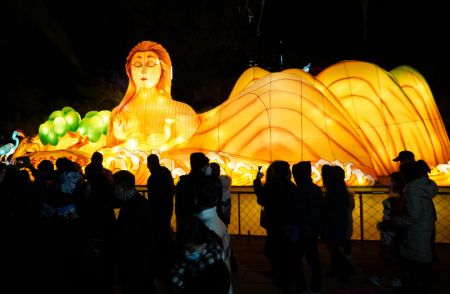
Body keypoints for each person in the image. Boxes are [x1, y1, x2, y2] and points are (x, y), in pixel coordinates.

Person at [106, 40, 199, 150]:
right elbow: (109, 150)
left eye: (150, 64)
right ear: (129, 70)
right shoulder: (119, 113)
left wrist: (169, 141)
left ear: (163, 69)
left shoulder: (183, 111)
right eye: (137, 64)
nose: (143, 71)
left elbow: (184, 142)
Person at [253, 160, 298, 293]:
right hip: (287, 222)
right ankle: (285, 275)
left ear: (273, 171)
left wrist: (257, 183)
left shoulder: (270, 185)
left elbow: (261, 199)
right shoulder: (291, 185)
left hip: (273, 221)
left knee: (272, 249)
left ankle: (280, 275)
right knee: (284, 249)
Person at [393, 161, 437, 293]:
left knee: (415, 263)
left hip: (416, 230)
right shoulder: (423, 186)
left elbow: (413, 215)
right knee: (422, 261)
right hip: (425, 226)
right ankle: (422, 285)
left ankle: (415, 287)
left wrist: (397, 221)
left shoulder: (412, 189)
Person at [112, 170, 157, 294]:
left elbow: (129, 237)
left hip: (135, 260)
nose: (114, 191)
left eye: (115, 187)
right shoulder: (137, 201)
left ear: (122, 187)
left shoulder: (133, 206)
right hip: (140, 258)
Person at [168, 215, 230, 294]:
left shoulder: (218, 274)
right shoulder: (178, 261)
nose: (185, 253)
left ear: (203, 244)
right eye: (182, 248)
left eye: (191, 249)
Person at [291, 161, 323, 294]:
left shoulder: (297, 191)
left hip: (301, 230)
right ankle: (315, 289)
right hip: (311, 231)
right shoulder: (316, 189)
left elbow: (296, 212)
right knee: (313, 260)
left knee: (296, 260)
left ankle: (302, 288)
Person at [369, 172, 405, 289]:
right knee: (396, 256)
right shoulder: (404, 199)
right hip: (398, 233)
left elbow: (389, 218)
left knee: (386, 256)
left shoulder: (391, 202)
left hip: (390, 234)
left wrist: (383, 226)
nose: (388, 183)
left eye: (391, 181)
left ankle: (382, 277)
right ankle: (397, 278)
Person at [146, 153, 176, 276]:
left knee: (159, 233)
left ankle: (160, 259)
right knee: (165, 230)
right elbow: (171, 189)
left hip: (156, 210)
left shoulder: (152, 178)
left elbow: (153, 197)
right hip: (166, 207)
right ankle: (167, 258)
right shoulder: (166, 172)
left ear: (150, 164)